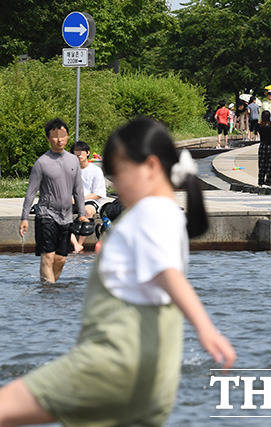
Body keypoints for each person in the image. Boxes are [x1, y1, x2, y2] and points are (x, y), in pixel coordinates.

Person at [0, 117, 236, 425]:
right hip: (154, 381)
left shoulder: (150, 213)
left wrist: (206, 328)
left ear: (150, 166)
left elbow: (167, 273)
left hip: (113, 364)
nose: (116, 185)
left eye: (119, 173)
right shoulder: (169, 215)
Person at [18, 118, 88, 284]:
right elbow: (31, 192)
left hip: (66, 217)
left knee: (61, 259)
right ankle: (49, 292)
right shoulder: (42, 163)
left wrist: (82, 214)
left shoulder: (73, 161)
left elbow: (78, 189)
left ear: (68, 137)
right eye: (55, 135)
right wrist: (24, 218)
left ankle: (48, 288)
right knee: (48, 256)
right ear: (48, 138)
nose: (59, 139)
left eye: (63, 135)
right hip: (46, 214)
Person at [69, 140, 107, 253]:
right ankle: (75, 244)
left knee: (88, 211)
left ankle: (80, 243)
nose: (79, 155)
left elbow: (99, 194)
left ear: (88, 152)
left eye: (81, 152)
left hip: (89, 200)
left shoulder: (95, 170)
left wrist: (79, 199)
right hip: (72, 200)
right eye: (76, 153)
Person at [257, 110, 271, 187]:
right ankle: (269, 181)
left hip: (262, 145)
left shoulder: (260, 126)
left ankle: (261, 181)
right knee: (269, 164)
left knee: (261, 164)